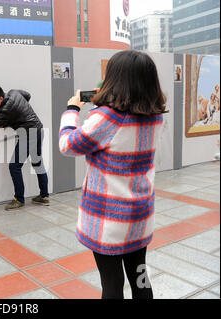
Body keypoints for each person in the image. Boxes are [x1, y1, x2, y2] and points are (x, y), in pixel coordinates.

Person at [59, 50, 167, 299]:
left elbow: (68, 145)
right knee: (140, 277)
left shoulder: (107, 117)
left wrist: (71, 110)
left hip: (109, 219)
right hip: (139, 214)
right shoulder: (154, 114)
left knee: (112, 282)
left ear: (115, 78)